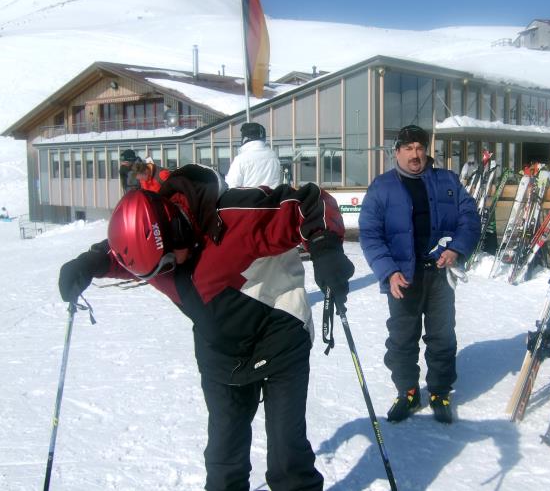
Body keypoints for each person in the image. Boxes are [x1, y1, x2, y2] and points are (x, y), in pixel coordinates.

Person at [57, 164, 354, 491]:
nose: (167, 272)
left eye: (167, 263)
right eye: (156, 270)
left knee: (288, 457)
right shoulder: (159, 252)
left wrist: (325, 245)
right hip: (220, 357)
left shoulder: (236, 217)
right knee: (224, 458)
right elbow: (123, 254)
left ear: (176, 226)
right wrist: (90, 264)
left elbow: (311, 204)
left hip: (280, 341)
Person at [359, 125, 480, 424]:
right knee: (401, 339)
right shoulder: (382, 187)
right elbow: (370, 234)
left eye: (419, 148)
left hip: (439, 274)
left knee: (442, 336)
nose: (415, 154)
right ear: (397, 152)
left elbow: (470, 219)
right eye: (408, 148)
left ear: (426, 151)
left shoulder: (447, 180)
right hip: (403, 277)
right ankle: (408, 392)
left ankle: (439, 392)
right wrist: (388, 272)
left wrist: (457, 249)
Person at [226, 122, 281, 188]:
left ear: (245, 138)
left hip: (249, 197)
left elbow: (231, 186)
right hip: (272, 197)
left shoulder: (241, 159)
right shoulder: (273, 156)